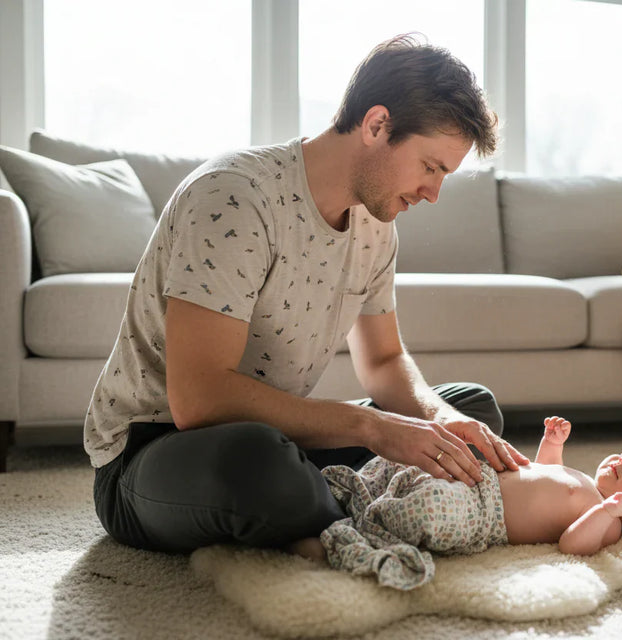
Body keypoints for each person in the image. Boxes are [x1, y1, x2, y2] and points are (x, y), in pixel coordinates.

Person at [85, 33, 529, 553]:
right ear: (376, 125)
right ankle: (366, 507)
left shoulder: (376, 223)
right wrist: (371, 427)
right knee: (262, 462)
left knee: (472, 412)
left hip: (280, 439)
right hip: (156, 450)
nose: (433, 193)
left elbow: (384, 360)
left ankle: (336, 507)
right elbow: (199, 400)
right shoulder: (234, 197)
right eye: (430, 167)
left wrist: (439, 419)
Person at [292, 416, 622, 590]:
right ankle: (353, 498)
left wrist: (606, 511)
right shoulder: (583, 479)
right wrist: (552, 444)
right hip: (477, 478)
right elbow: (544, 470)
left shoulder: (607, 523)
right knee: (411, 466)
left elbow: (573, 544)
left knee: (430, 509)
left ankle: (349, 534)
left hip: (483, 515)